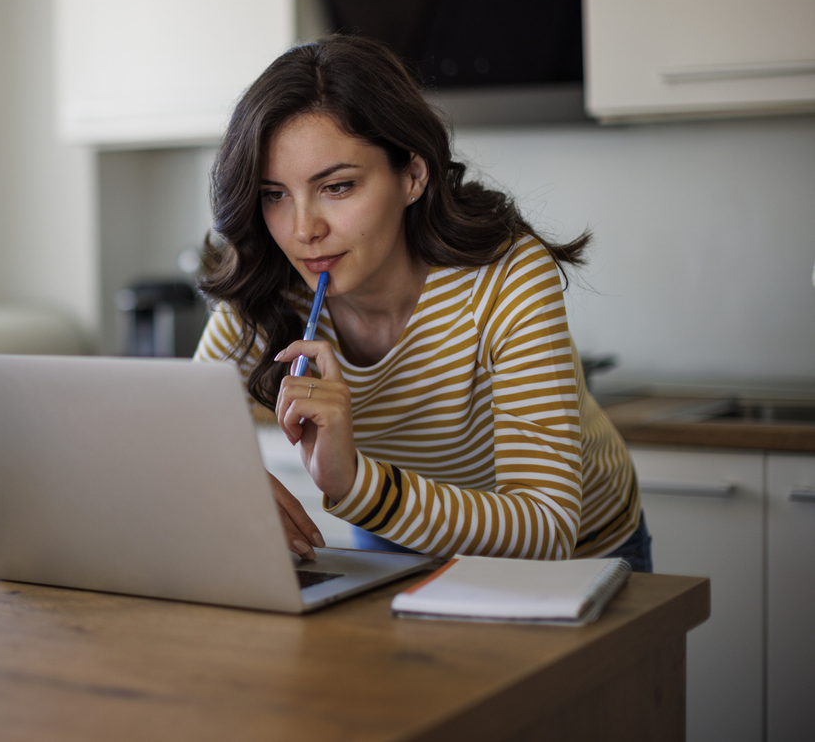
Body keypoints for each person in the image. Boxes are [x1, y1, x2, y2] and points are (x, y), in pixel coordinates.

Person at [193, 35, 650, 572]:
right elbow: (182, 435)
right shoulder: (271, 283)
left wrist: (357, 484)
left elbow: (547, 525)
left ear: (412, 174)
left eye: (337, 187)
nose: (302, 231)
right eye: (274, 195)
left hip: (578, 556)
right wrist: (229, 482)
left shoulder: (506, 275)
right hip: (399, 537)